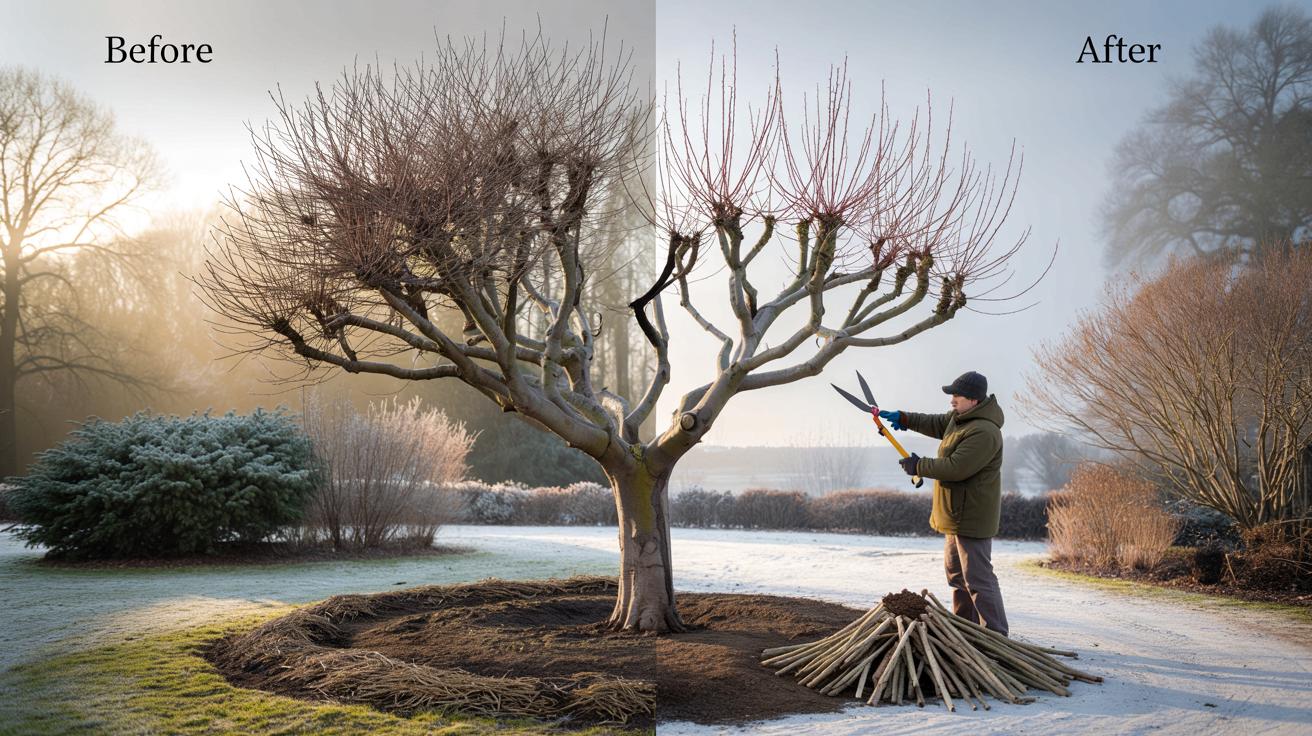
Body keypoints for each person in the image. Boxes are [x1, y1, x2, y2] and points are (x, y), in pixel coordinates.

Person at [879, 371, 1009, 635]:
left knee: (978, 580)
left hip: (971, 517)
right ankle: (965, 630)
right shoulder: (960, 420)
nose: (952, 399)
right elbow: (935, 423)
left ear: (973, 399)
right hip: (954, 514)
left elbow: (957, 467)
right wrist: (904, 418)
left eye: (957, 395)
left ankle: (995, 636)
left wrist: (919, 465)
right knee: (957, 578)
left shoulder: (984, 431)